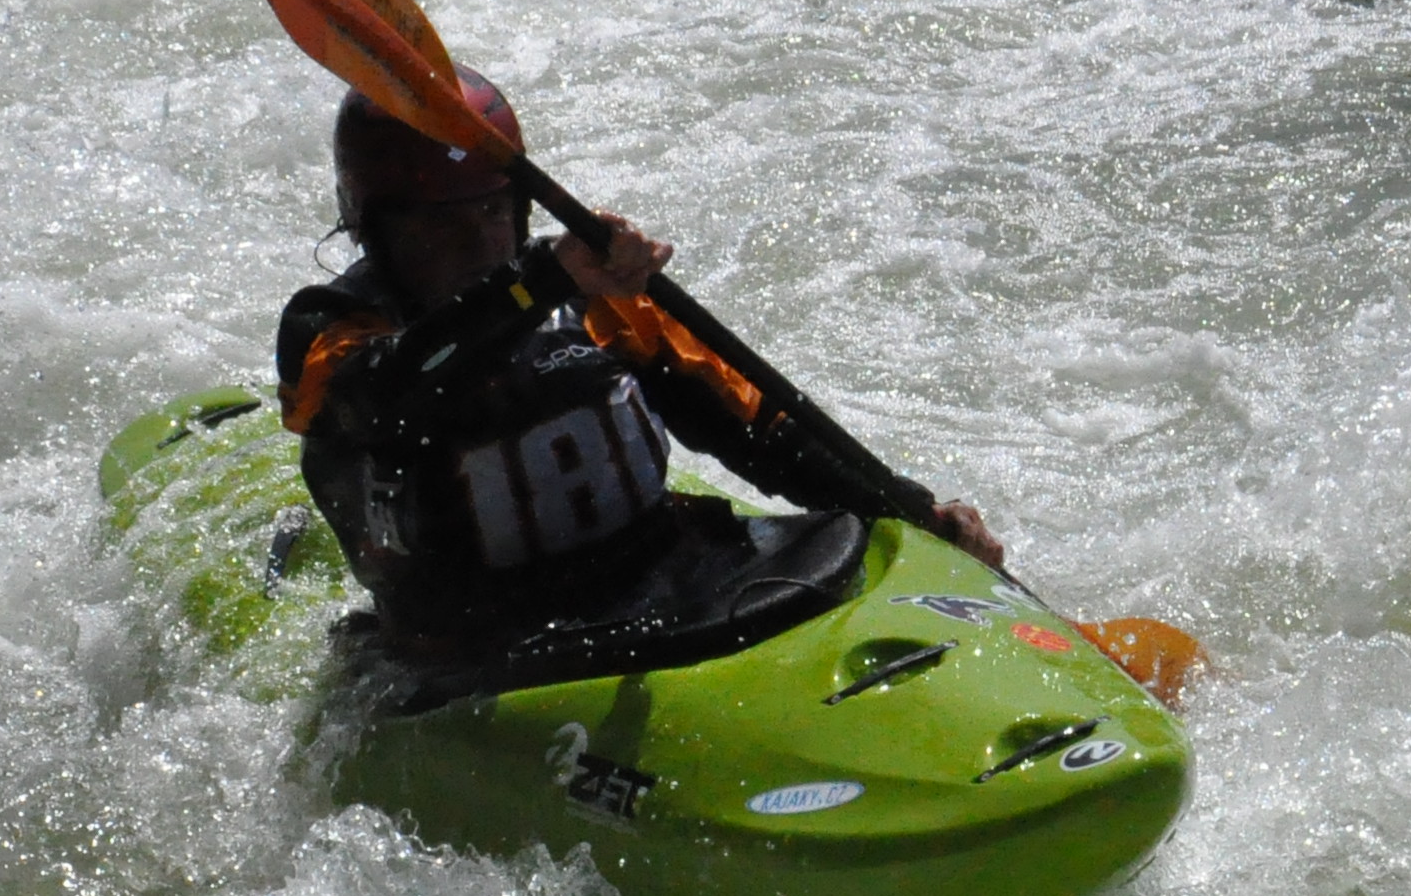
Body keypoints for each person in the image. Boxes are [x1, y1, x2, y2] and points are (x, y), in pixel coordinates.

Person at [276, 71, 1001, 652]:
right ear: (375, 230)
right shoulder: (332, 330)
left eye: (492, 212)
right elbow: (384, 400)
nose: (477, 244)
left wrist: (913, 511)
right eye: (439, 225)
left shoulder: (587, 298)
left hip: (659, 582)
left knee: (846, 545)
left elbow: (761, 430)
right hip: (481, 642)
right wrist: (536, 284)